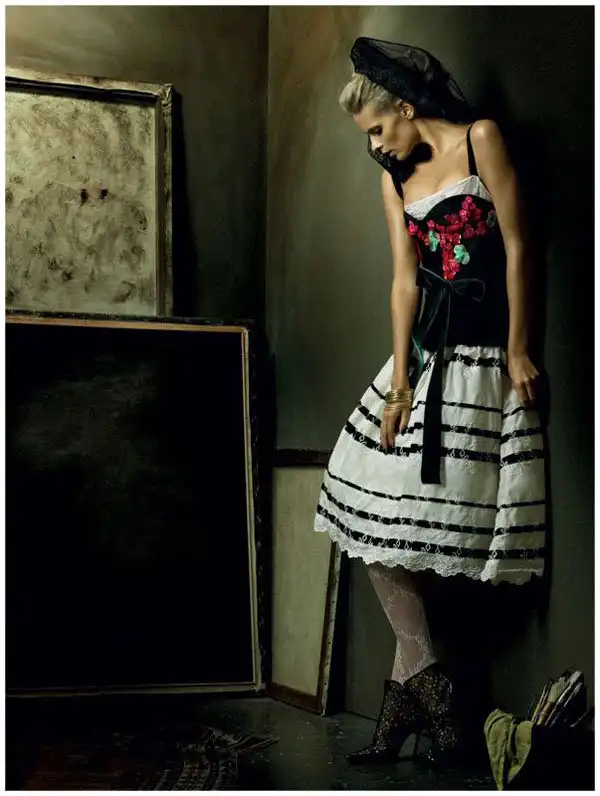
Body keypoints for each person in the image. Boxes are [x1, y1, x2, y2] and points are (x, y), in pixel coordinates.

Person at [313, 37, 546, 767]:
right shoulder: (395, 177)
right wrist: (400, 386)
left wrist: (517, 348)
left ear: (407, 108)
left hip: (480, 363)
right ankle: (428, 689)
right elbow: (404, 282)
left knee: (425, 526)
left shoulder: (481, 140)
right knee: (368, 507)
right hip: (421, 362)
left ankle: (407, 701)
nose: (375, 145)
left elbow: (519, 246)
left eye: (379, 129)